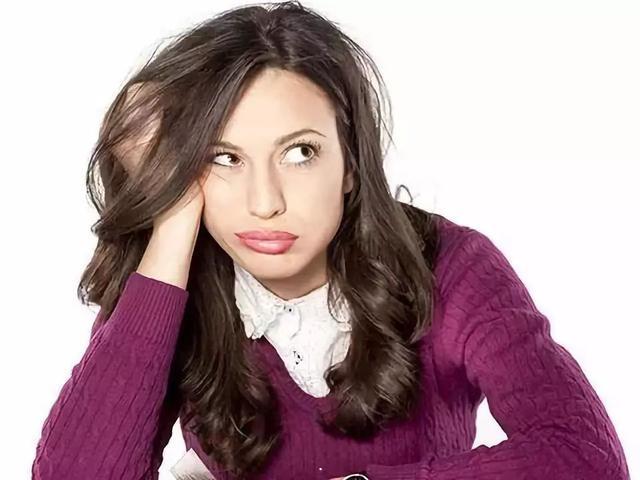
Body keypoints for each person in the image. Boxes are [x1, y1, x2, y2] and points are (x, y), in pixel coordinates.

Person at [31, 2, 629, 479]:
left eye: (299, 153)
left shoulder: (450, 265)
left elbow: (585, 458)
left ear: (350, 163)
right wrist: (171, 214)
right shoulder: (173, 279)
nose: (265, 201)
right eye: (224, 158)